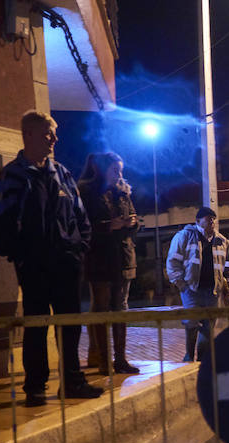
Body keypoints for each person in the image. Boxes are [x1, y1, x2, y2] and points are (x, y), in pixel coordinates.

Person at [0, 110, 102, 406]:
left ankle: (73, 382)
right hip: (35, 266)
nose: (55, 139)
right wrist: (20, 255)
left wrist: (79, 248)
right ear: (28, 135)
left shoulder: (62, 173)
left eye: (55, 133)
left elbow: (80, 216)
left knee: (70, 325)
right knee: (36, 326)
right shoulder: (11, 176)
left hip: (67, 264)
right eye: (48, 133)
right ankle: (35, 387)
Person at [78, 152, 140, 375]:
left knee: (121, 309)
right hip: (100, 260)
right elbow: (82, 226)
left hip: (123, 258)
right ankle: (103, 360)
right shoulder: (87, 192)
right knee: (102, 309)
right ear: (101, 169)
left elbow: (134, 219)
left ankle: (120, 359)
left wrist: (132, 223)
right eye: (115, 169)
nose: (119, 174)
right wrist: (107, 226)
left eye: (121, 170)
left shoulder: (123, 192)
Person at [166, 207, 229, 362]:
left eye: (213, 218)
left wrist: (228, 290)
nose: (211, 221)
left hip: (213, 291)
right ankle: (189, 357)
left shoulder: (223, 242)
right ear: (197, 221)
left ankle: (202, 361)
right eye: (207, 218)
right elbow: (172, 262)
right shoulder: (184, 237)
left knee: (208, 327)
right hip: (191, 290)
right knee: (191, 324)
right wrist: (181, 284)